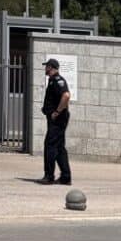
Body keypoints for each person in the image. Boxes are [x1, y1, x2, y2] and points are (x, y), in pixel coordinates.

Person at [40, 57, 72, 185]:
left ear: (51, 67)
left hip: (58, 120)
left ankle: (49, 176)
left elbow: (66, 95)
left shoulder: (58, 80)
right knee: (59, 147)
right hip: (57, 119)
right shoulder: (53, 81)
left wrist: (57, 112)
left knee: (50, 145)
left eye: (46, 66)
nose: (45, 68)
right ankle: (65, 177)